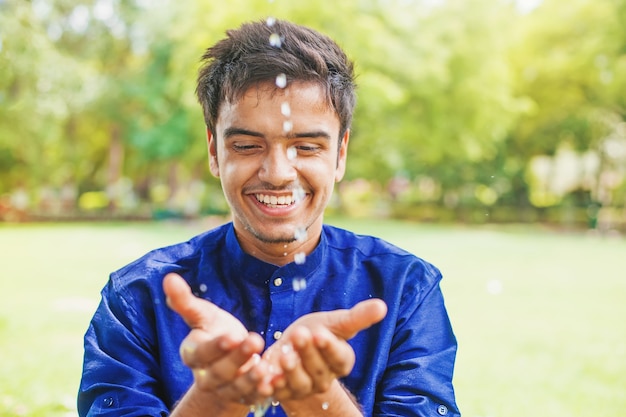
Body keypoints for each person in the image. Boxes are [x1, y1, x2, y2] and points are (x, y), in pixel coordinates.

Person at [78, 19, 460, 417]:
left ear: (340, 154)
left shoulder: (406, 291)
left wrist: (320, 402)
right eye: (246, 145)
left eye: (307, 146)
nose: (278, 173)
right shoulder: (138, 297)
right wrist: (211, 402)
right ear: (214, 150)